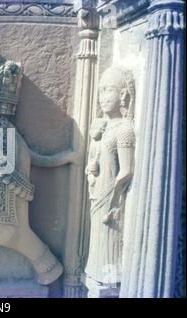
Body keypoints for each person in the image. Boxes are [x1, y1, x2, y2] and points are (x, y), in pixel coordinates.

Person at [84, 66, 136, 295]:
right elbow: (94, 162)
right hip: (98, 193)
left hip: (111, 198)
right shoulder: (104, 128)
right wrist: (91, 171)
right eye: (101, 91)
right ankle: (94, 274)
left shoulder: (124, 130)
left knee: (109, 241)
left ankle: (108, 280)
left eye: (109, 90)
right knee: (97, 239)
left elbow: (126, 171)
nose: (103, 97)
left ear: (123, 95)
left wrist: (113, 197)